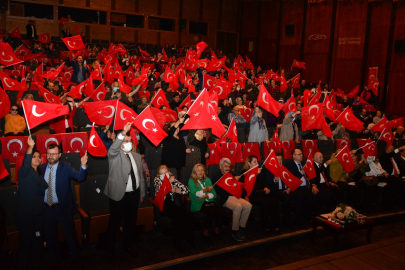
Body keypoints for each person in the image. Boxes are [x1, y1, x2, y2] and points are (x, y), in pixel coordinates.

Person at [104, 122, 145, 263]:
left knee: (130, 223)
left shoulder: (137, 156)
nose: (127, 143)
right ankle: (110, 251)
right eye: (125, 141)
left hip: (134, 196)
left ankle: (127, 246)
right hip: (119, 197)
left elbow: (141, 176)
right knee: (113, 224)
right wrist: (122, 133)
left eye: (129, 141)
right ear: (121, 143)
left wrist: (142, 194)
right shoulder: (114, 155)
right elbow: (113, 149)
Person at [42, 144, 88, 269]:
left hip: (63, 209)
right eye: (48, 153)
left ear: (60, 155)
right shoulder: (41, 168)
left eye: (54, 154)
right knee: (51, 238)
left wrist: (83, 165)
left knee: (71, 236)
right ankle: (56, 260)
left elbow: (80, 177)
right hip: (47, 210)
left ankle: (76, 258)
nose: (51, 156)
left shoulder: (66, 167)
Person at [15, 137, 48, 270]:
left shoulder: (41, 177)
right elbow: (25, 163)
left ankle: (35, 264)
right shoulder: (24, 172)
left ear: (41, 161)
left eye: (38, 157)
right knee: (25, 243)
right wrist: (29, 147)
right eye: (33, 156)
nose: (36, 158)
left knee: (37, 240)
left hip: (38, 215)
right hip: (25, 215)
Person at [212, 158, 252, 241]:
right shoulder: (216, 177)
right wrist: (232, 181)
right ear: (220, 166)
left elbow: (239, 186)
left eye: (229, 167)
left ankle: (241, 227)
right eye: (226, 166)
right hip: (225, 198)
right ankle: (235, 230)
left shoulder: (231, 173)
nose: (228, 169)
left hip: (235, 196)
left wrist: (245, 195)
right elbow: (221, 192)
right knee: (238, 206)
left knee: (248, 206)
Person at [153, 165, 193, 248]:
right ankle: (177, 241)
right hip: (164, 206)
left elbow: (186, 190)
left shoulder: (172, 179)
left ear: (168, 173)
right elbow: (160, 192)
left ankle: (188, 238)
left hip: (174, 204)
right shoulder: (157, 180)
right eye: (161, 174)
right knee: (178, 217)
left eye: (165, 173)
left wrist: (175, 190)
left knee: (188, 214)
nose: (164, 175)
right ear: (158, 175)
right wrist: (169, 182)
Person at [240, 156, 281, 233]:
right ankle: (266, 226)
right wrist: (255, 173)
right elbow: (247, 185)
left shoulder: (260, 171)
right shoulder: (244, 172)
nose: (257, 163)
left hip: (263, 192)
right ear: (249, 163)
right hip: (253, 194)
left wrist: (266, 187)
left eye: (257, 161)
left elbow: (265, 182)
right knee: (265, 203)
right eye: (254, 162)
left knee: (274, 201)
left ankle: (276, 224)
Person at [188, 164, 222, 243]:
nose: (200, 172)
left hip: (209, 202)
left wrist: (205, 195)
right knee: (210, 213)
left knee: (220, 212)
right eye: (198, 170)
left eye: (202, 170)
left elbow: (214, 194)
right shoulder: (191, 181)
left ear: (205, 171)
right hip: (198, 203)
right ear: (194, 172)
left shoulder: (208, 180)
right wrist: (206, 191)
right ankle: (205, 233)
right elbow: (195, 194)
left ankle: (216, 230)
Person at [284, 149, 313, 229]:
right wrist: (301, 172)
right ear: (294, 156)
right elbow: (291, 178)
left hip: (305, 186)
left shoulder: (303, 163)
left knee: (312, 195)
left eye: (301, 154)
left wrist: (313, 185)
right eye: (299, 154)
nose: (301, 156)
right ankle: (297, 220)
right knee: (301, 197)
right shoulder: (289, 165)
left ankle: (308, 216)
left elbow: (310, 175)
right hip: (295, 188)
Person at [266, 152, 293, 228]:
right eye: (277, 159)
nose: (279, 161)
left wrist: (289, 189)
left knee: (294, 196)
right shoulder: (269, 169)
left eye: (281, 159)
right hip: (275, 191)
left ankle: (290, 219)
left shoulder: (285, 168)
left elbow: (290, 180)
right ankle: (286, 220)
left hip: (285, 190)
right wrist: (275, 180)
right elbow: (268, 185)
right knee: (286, 198)